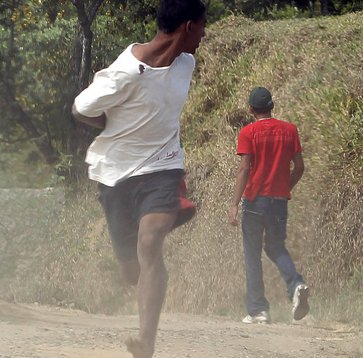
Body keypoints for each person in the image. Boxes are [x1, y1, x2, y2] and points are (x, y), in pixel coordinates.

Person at [71, 1, 206, 356]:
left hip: (163, 167)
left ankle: (146, 341)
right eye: (203, 27)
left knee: (151, 242)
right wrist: (116, 126)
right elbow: (80, 108)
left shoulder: (186, 63)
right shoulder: (126, 71)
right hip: (116, 173)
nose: (205, 35)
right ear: (189, 26)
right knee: (131, 268)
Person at [228, 87, 310, 324]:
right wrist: (285, 188)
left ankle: (258, 310)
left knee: (253, 253)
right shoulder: (289, 130)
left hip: (255, 201)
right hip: (279, 201)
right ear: (272, 105)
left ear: (251, 110)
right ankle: (296, 285)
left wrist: (234, 203)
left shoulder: (248, 132)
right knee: (275, 247)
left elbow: (244, 169)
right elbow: (300, 167)